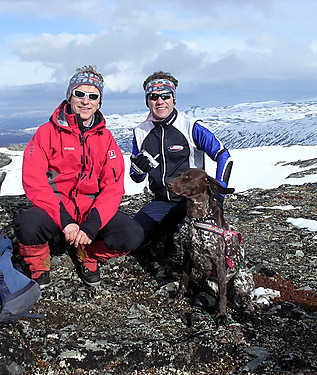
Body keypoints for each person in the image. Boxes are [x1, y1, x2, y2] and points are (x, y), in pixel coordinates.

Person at [15, 65, 144, 288]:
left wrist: (91, 226)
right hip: (56, 210)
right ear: (69, 96)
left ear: (99, 103)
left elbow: (113, 187)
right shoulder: (47, 133)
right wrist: (65, 222)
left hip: (89, 212)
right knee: (27, 224)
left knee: (131, 235)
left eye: (93, 96)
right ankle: (38, 264)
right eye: (80, 94)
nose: (86, 101)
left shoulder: (106, 139)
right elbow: (34, 180)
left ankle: (87, 253)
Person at [130, 71, 233, 255]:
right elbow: (136, 177)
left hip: (192, 201)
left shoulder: (191, 127)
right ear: (148, 101)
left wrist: (218, 195)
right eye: (154, 97)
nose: (160, 101)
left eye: (165, 96)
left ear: (173, 99)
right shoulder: (141, 132)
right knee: (131, 239)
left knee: (196, 247)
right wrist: (138, 170)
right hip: (161, 202)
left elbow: (224, 156)